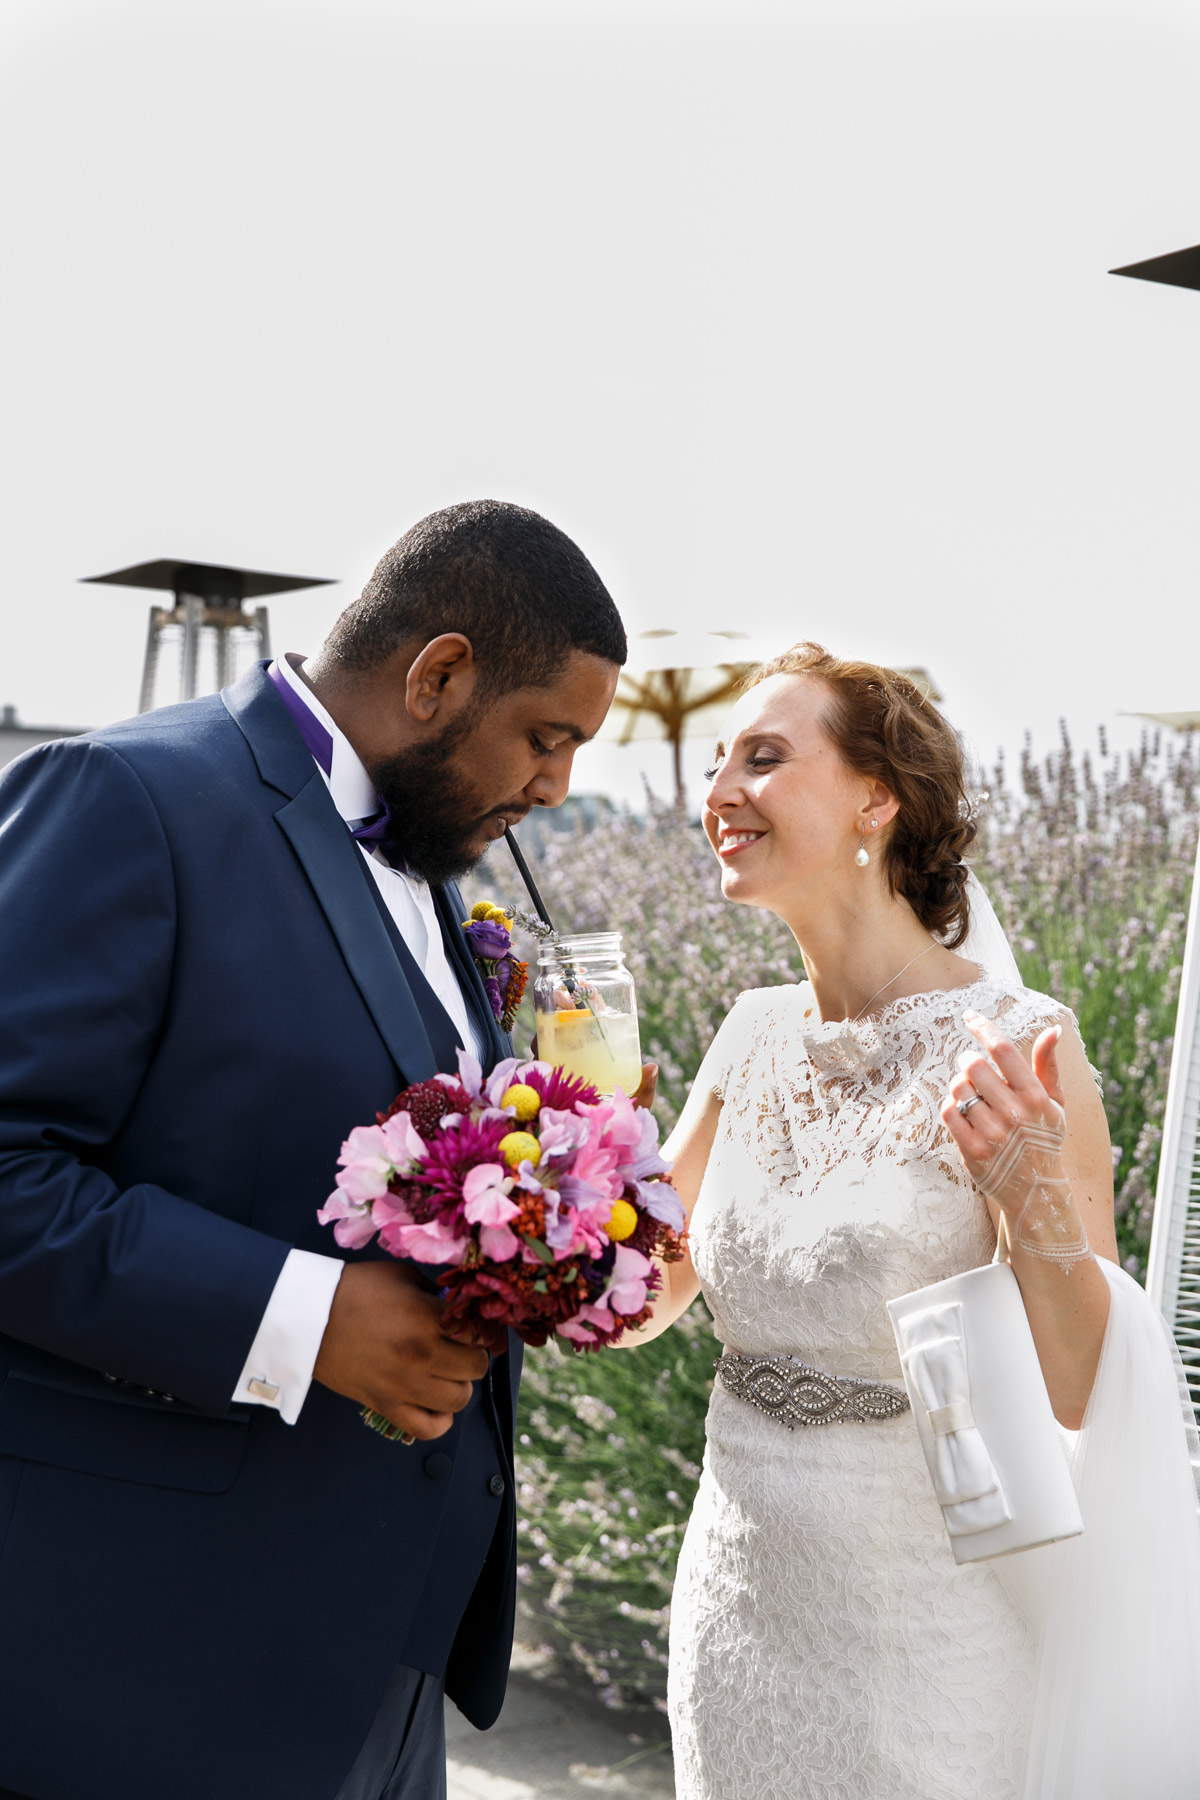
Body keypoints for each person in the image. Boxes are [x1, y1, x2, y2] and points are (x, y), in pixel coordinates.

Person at [0, 500, 628, 1800]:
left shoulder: (434, 860)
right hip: (145, 1666)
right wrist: (303, 1318)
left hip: (380, 1671)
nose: (557, 784)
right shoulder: (127, 796)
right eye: (548, 735)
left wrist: (567, 1196)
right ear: (439, 674)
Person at [631, 644, 1200, 1799]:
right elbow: (644, 1296)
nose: (720, 791)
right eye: (719, 763)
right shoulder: (746, 1034)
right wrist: (550, 1190)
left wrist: (1033, 1194)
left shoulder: (1017, 1040)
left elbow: (1087, 1383)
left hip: (921, 1623)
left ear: (875, 801)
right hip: (737, 1596)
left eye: (766, 756)